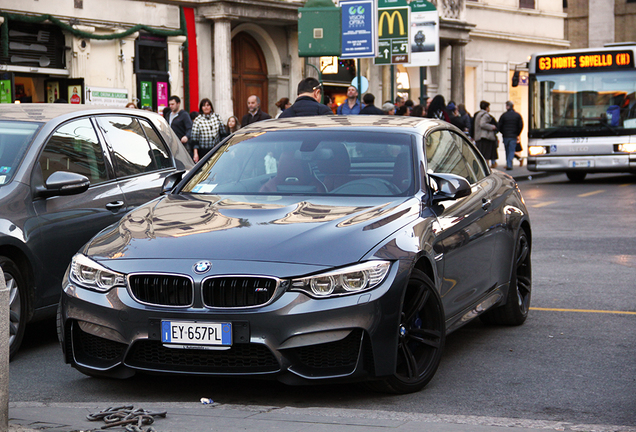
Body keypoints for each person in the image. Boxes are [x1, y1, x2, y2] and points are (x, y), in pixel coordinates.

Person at [190, 98, 225, 163]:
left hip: (216, 150)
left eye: (208, 105)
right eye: (204, 106)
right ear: (201, 108)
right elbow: (194, 139)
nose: (206, 107)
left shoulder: (217, 117)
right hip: (203, 151)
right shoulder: (198, 119)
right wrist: (195, 153)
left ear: (211, 107)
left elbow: (223, 134)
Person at [498, 100, 524, 170]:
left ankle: (509, 164)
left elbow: (499, 126)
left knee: (507, 150)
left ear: (508, 106)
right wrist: (517, 133)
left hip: (506, 135)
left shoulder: (504, 115)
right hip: (513, 135)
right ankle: (509, 164)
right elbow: (521, 125)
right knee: (512, 150)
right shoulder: (517, 115)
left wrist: (503, 132)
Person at [474, 100, 499, 168]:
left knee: (482, 154)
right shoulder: (485, 115)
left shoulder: (478, 114)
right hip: (485, 137)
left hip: (479, 136)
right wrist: (492, 127)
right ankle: (486, 168)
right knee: (486, 154)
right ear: (487, 107)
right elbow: (482, 124)